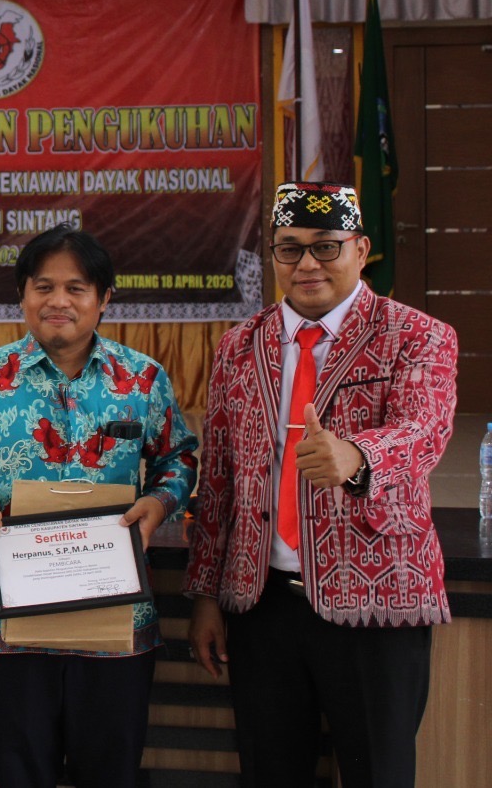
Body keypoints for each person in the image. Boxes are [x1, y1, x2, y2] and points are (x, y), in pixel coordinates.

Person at [186, 181, 457, 788]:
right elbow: (220, 480)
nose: (307, 263)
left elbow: (424, 431)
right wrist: (205, 595)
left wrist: (358, 456)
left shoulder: (417, 335)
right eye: (290, 248)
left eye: (326, 246)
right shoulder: (238, 346)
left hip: (378, 602)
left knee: (378, 774)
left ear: (361, 250)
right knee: (270, 773)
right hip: (262, 605)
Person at [0, 225, 198, 788]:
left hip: (115, 618)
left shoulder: (143, 381)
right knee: (20, 774)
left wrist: (158, 502)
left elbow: (178, 460)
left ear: (104, 298)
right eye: (43, 286)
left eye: (76, 288)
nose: (58, 301)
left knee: (111, 774)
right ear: (22, 295)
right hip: (9, 624)